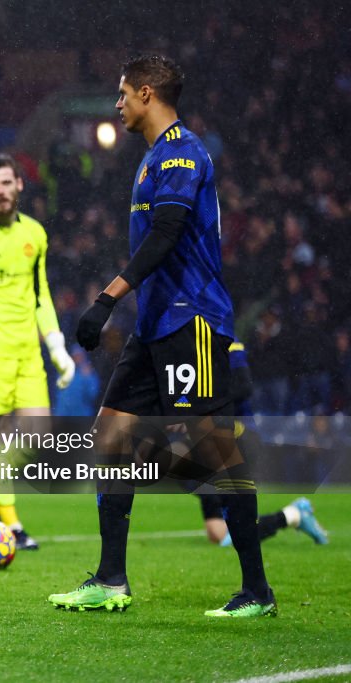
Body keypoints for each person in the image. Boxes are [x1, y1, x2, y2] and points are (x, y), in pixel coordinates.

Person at [49, 56, 275, 617]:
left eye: (123, 94)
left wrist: (107, 299)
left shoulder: (179, 152)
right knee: (111, 435)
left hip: (189, 320)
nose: (117, 104)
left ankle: (256, 590)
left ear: (147, 93)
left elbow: (168, 235)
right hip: (155, 327)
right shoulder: (154, 157)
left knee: (216, 448)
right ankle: (110, 579)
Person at [0, 154, 76, 550]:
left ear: (20, 184)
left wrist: (56, 345)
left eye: (7, 183)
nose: (1, 191)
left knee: (38, 433)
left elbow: (41, 294)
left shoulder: (35, 234)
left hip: (29, 354)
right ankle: (13, 526)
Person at [198, 341, 328, 546]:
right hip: (204, 440)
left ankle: (292, 514)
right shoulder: (184, 344)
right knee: (218, 533)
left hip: (236, 436)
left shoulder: (227, 341)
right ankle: (293, 515)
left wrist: (205, 403)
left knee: (230, 535)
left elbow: (243, 386)